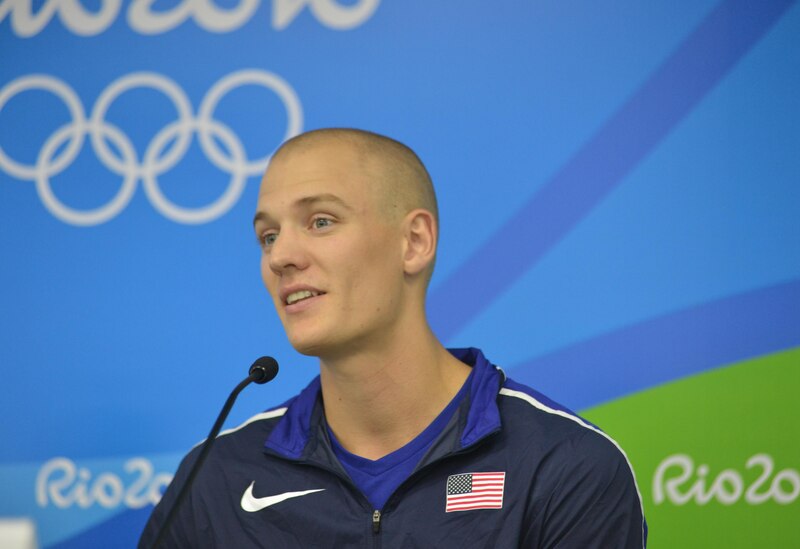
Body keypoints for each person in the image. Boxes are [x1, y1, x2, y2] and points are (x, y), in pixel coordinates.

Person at [140, 128, 647, 547]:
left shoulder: (563, 467)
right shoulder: (218, 474)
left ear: (414, 242)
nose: (280, 257)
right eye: (268, 236)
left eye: (320, 221)